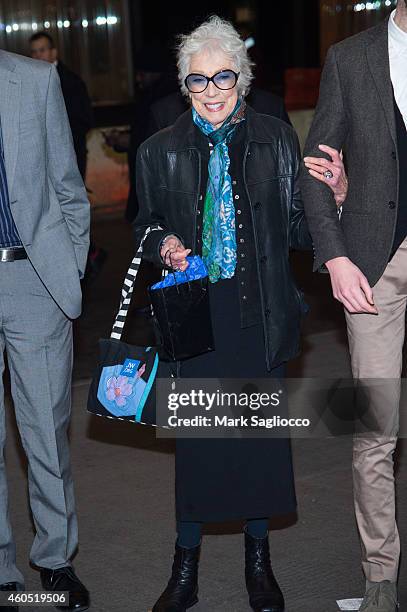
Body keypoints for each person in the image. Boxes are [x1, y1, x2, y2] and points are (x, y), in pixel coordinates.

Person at [134, 16, 346, 612]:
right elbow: (144, 224)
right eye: (198, 81)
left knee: (254, 441)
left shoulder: (278, 138)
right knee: (199, 443)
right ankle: (186, 566)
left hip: (260, 310)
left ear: (242, 78)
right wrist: (164, 246)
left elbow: (302, 229)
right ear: (184, 85)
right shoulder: (159, 149)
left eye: (223, 76)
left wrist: (337, 195)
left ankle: (260, 562)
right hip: (194, 314)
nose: (212, 90)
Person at [300, 2, 407, 610]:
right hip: (374, 266)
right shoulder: (351, 57)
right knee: (375, 426)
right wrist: (336, 255)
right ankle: (380, 574)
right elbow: (316, 169)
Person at [0, 49, 90, 611]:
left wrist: (68, 270)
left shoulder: (34, 80)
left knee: (45, 435)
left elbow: (67, 182)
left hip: (33, 280)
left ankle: (56, 561)